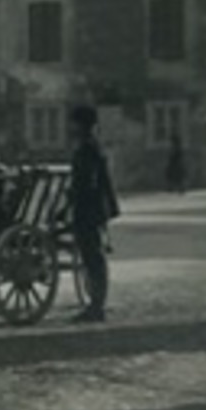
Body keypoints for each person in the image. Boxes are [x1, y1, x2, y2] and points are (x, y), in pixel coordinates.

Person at [69, 104, 121, 323]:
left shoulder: (87, 149)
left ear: (81, 125)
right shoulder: (92, 146)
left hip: (89, 209)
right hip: (93, 208)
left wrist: (74, 199)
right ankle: (96, 304)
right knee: (93, 256)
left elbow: (88, 182)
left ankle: (97, 306)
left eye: (74, 123)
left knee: (93, 257)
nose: (70, 128)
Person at [165, 130, 187, 195]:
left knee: (175, 176)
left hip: (176, 163)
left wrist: (171, 156)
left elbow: (174, 155)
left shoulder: (176, 147)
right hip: (176, 163)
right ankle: (177, 188)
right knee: (175, 176)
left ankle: (178, 188)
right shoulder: (177, 147)